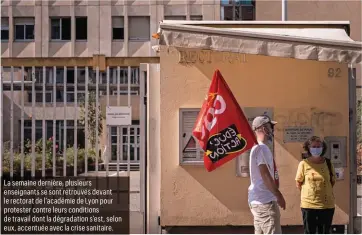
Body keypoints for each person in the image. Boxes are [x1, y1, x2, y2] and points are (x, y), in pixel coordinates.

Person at [249, 115, 286, 234]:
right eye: (271, 127)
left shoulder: (256, 147)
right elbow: (265, 175)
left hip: (257, 201)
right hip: (266, 203)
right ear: (264, 128)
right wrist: (278, 195)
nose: (272, 130)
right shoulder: (262, 148)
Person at [295, 136, 336, 234]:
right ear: (309, 148)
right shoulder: (303, 164)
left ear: (323, 148)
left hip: (327, 205)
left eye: (319, 146)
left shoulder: (328, 163)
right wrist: (310, 194)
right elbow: (298, 183)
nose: (316, 149)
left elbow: (332, 181)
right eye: (314, 146)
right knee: (309, 232)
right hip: (309, 206)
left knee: (324, 232)